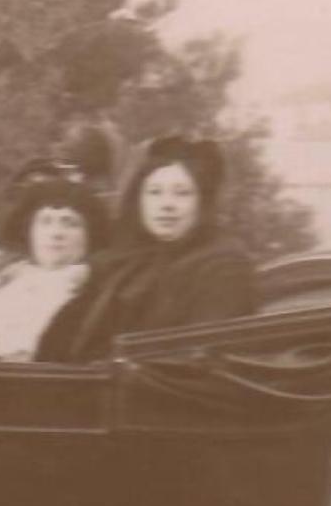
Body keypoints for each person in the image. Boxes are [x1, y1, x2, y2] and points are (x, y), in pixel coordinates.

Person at [37, 136, 258, 362]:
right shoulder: (119, 262)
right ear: (138, 199)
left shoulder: (224, 266)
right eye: (154, 192)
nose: (167, 204)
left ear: (202, 201)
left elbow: (203, 361)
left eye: (182, 193)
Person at [0, 160, 106, 361]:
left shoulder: (101, 292)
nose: (56, 233)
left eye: (70, 223)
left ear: (89, 235)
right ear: (29, 231)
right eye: (45, 222)